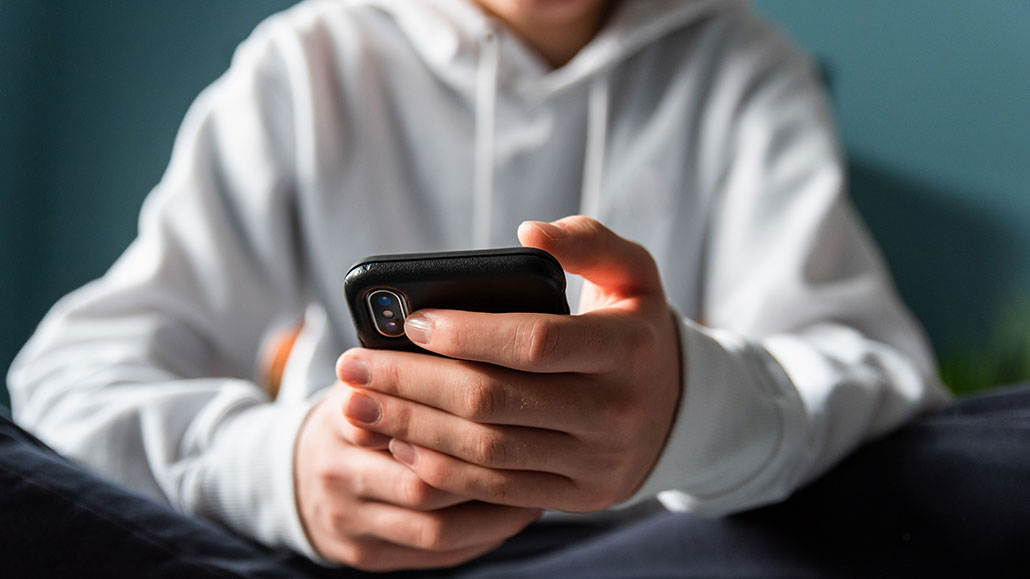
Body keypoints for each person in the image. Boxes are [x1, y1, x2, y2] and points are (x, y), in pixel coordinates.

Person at [6, 0, 972, 575]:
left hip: (643, 555)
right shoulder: (306, 67)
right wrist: (282, 470)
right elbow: (73, 370)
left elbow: (875, 365)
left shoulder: (746, 69)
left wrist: (686, 406)